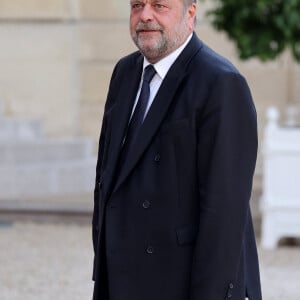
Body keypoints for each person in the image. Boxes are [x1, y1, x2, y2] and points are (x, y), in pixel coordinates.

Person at [92, 0, 262, 299]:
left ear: (191, 13)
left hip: (180, 282)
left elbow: (224, 213)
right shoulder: (124, 73)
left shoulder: (221, 82)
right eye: (137, 5)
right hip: (120, 278)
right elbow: (106, 175)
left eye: (159, 5)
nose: (145, 15)